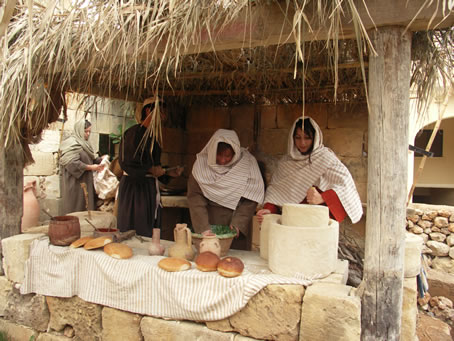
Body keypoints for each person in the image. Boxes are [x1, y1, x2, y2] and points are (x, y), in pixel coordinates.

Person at [257, 117, 363, 224]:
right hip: (290, 224)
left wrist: (323, 197)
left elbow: (346, 188)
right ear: (292, 138)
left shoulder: (326, 158)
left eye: (307, 138)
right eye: (298, 137)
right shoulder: (285, 163)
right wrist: (269, 210)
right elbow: (276, 192)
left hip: (316, 224)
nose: (302, 143)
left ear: (315, 138)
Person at [117, 97, 183, 240]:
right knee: (135, 228)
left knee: (149, 228)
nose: (164, 117)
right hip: (134, 191)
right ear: (148, 111)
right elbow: (127, 162)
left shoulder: (153, 138)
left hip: (148, 189)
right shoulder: (133, 134)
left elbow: (154, 166)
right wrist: (150, 170)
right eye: (162, 113)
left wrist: (168, 173)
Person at [187, 129, 265, 249]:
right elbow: (195, 197)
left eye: (228, 156)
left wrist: (239, 223)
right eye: (219, 155)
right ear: (212, 151)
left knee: (235, 261)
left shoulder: (248, 164)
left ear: (235, 153)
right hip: (210, 221)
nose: (223, 160)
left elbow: (252, 197)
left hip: (235, 224)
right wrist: (203, 228)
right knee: (209, 255)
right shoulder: (200, 166)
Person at [59, 119, 105, 215]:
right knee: (75, 209)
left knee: (85, 208)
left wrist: (101, 160)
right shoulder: (72, 144)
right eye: (85, 131)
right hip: (74, 184)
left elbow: (89, 159)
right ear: (79, 130)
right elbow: (72, 163)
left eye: (89, 132)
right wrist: (91, 167)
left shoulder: (84, 144)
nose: (88, 134)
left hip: (84, 183)